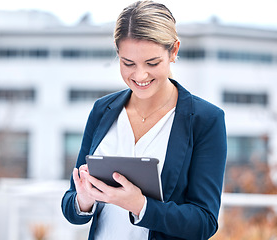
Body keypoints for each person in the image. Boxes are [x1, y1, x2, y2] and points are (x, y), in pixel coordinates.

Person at [61, 1, 227, 239]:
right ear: (118, 54)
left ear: (174, 51)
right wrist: (84, 198)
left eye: (152, 63)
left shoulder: (205, 120)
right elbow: (71, 205)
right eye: (128, 63)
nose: (140, 75)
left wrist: (141, 206)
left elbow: (204, 222)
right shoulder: (102, 110)